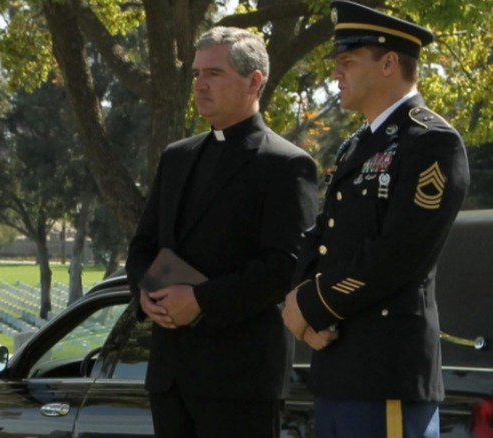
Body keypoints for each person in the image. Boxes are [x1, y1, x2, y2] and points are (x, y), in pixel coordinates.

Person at [282, 2, 470, 437]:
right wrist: (297, 302)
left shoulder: (432, 142)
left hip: (385, 372)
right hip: (336, 367)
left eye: (347, 61)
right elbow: (323, 234)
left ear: (389, 63)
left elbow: (398, 255)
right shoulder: (356, 145)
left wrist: (312, 305)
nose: (335, 74)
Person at [125, 27, 319, 438]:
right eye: (196, 74)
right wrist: (144, 295)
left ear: (254, 82)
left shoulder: (286, 165)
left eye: (213, 73)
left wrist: (199, 300)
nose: (199, 84)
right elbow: (143, 245)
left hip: (240, 382)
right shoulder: (177, 157)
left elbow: (284, 267)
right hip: (170, 375)